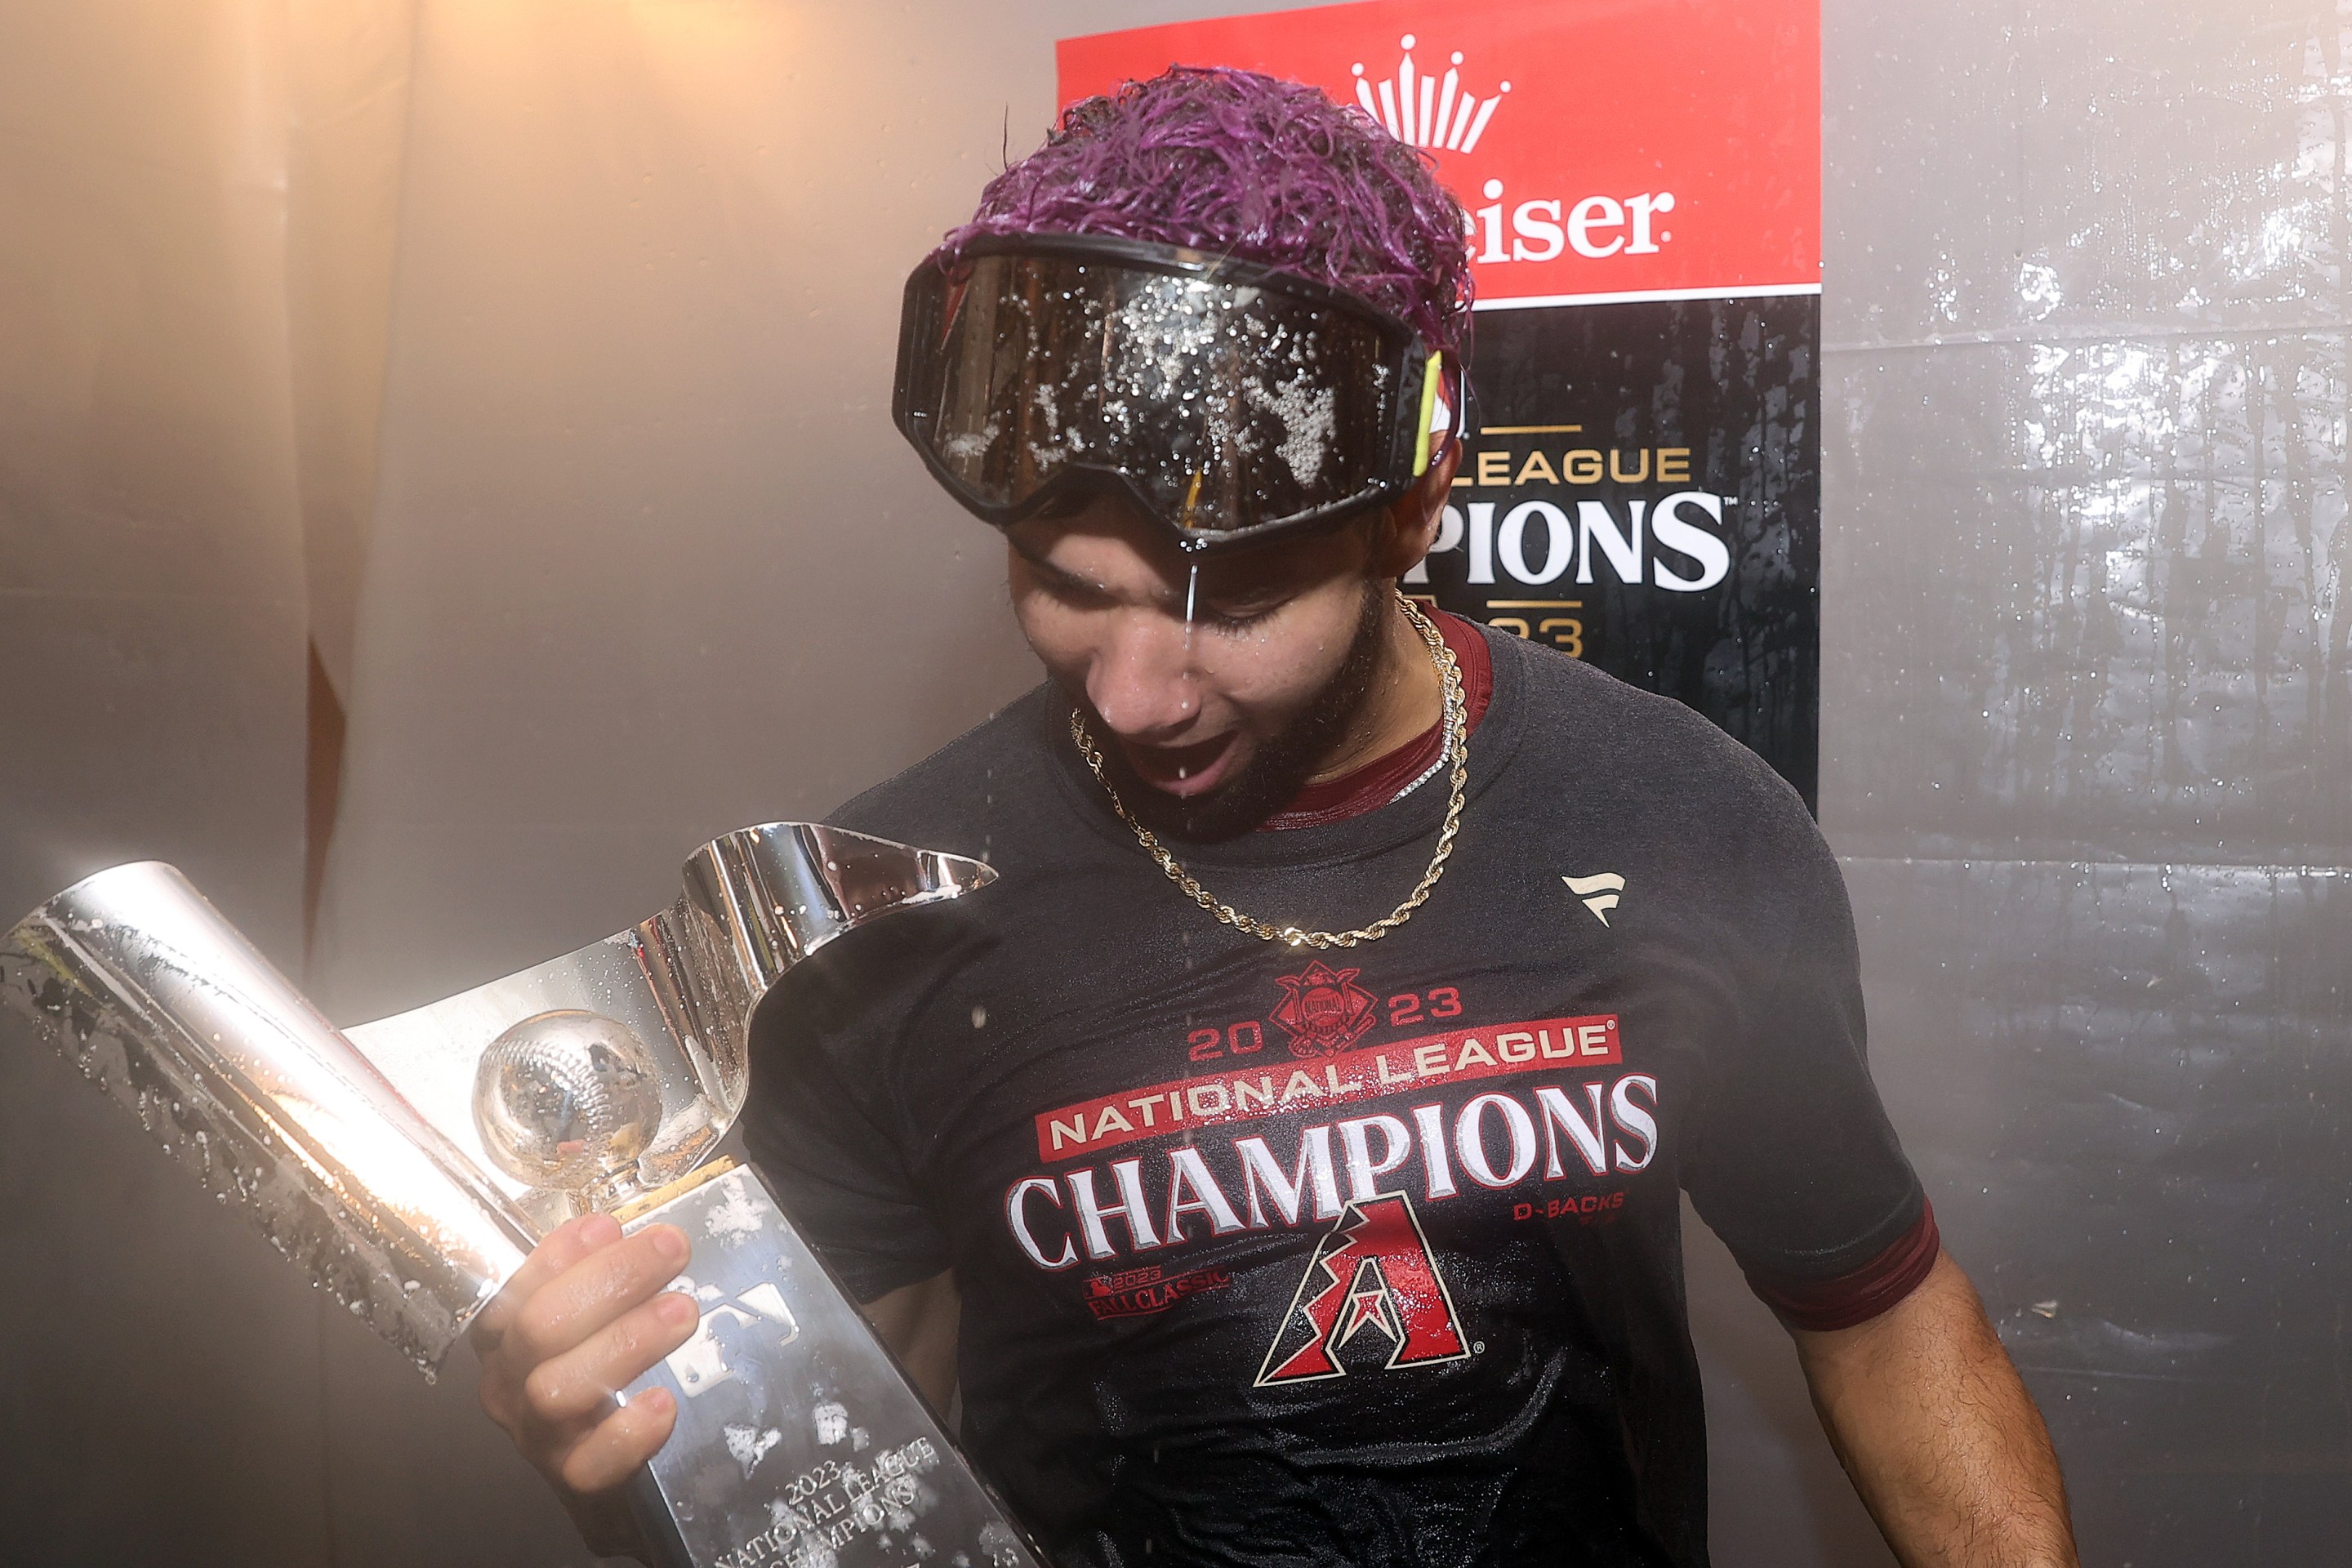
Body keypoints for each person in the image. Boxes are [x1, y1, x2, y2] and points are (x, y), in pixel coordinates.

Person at [472, 67, 2079, 1568]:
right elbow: (828, 1462)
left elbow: (1880, 1312)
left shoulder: (1677, 820)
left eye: (1231, 603)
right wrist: (648, 1438)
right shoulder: (883, 920)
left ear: (1412, 504)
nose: (1135, 693)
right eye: (1065, 588)